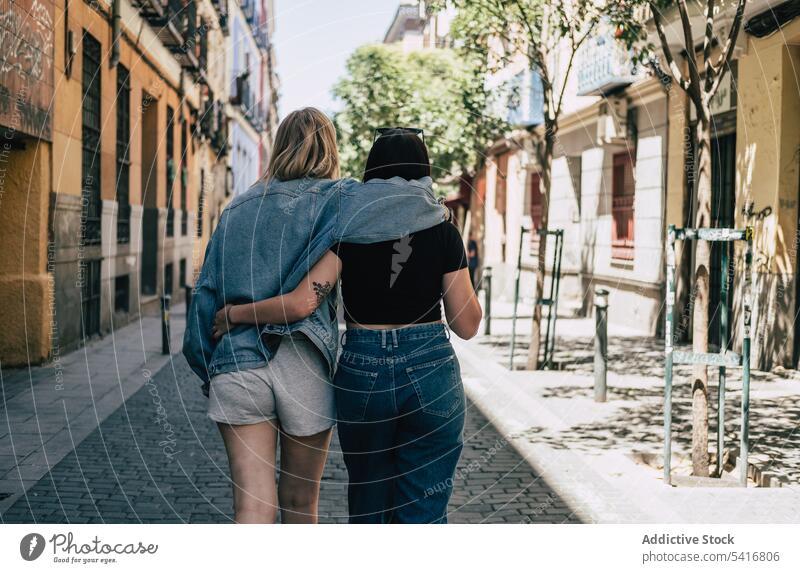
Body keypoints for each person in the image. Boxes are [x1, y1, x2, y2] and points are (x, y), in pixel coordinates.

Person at [183, 111, 447, 524]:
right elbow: (402, 210)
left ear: (278, 147)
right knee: (300, 502)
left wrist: (209, 368)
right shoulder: (342, 197)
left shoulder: (236, 209)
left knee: (251, 507)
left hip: (236, 362)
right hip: (303, 360)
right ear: (331, 149)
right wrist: (435, 207)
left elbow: (204, 297)